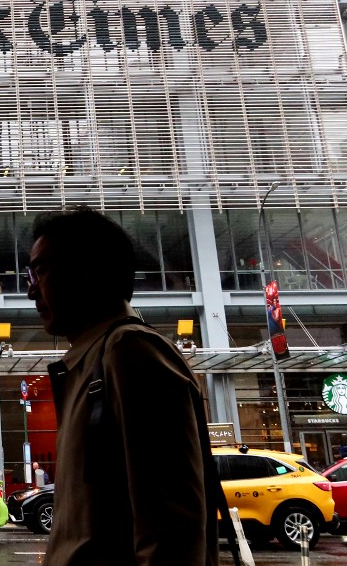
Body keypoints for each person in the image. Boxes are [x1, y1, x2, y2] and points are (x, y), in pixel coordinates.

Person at [28, 208, 219, 566]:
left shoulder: (129, 352)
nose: (30, 290)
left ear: (87, 268)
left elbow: (171, 530)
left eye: (40, 271)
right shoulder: (94, 360)